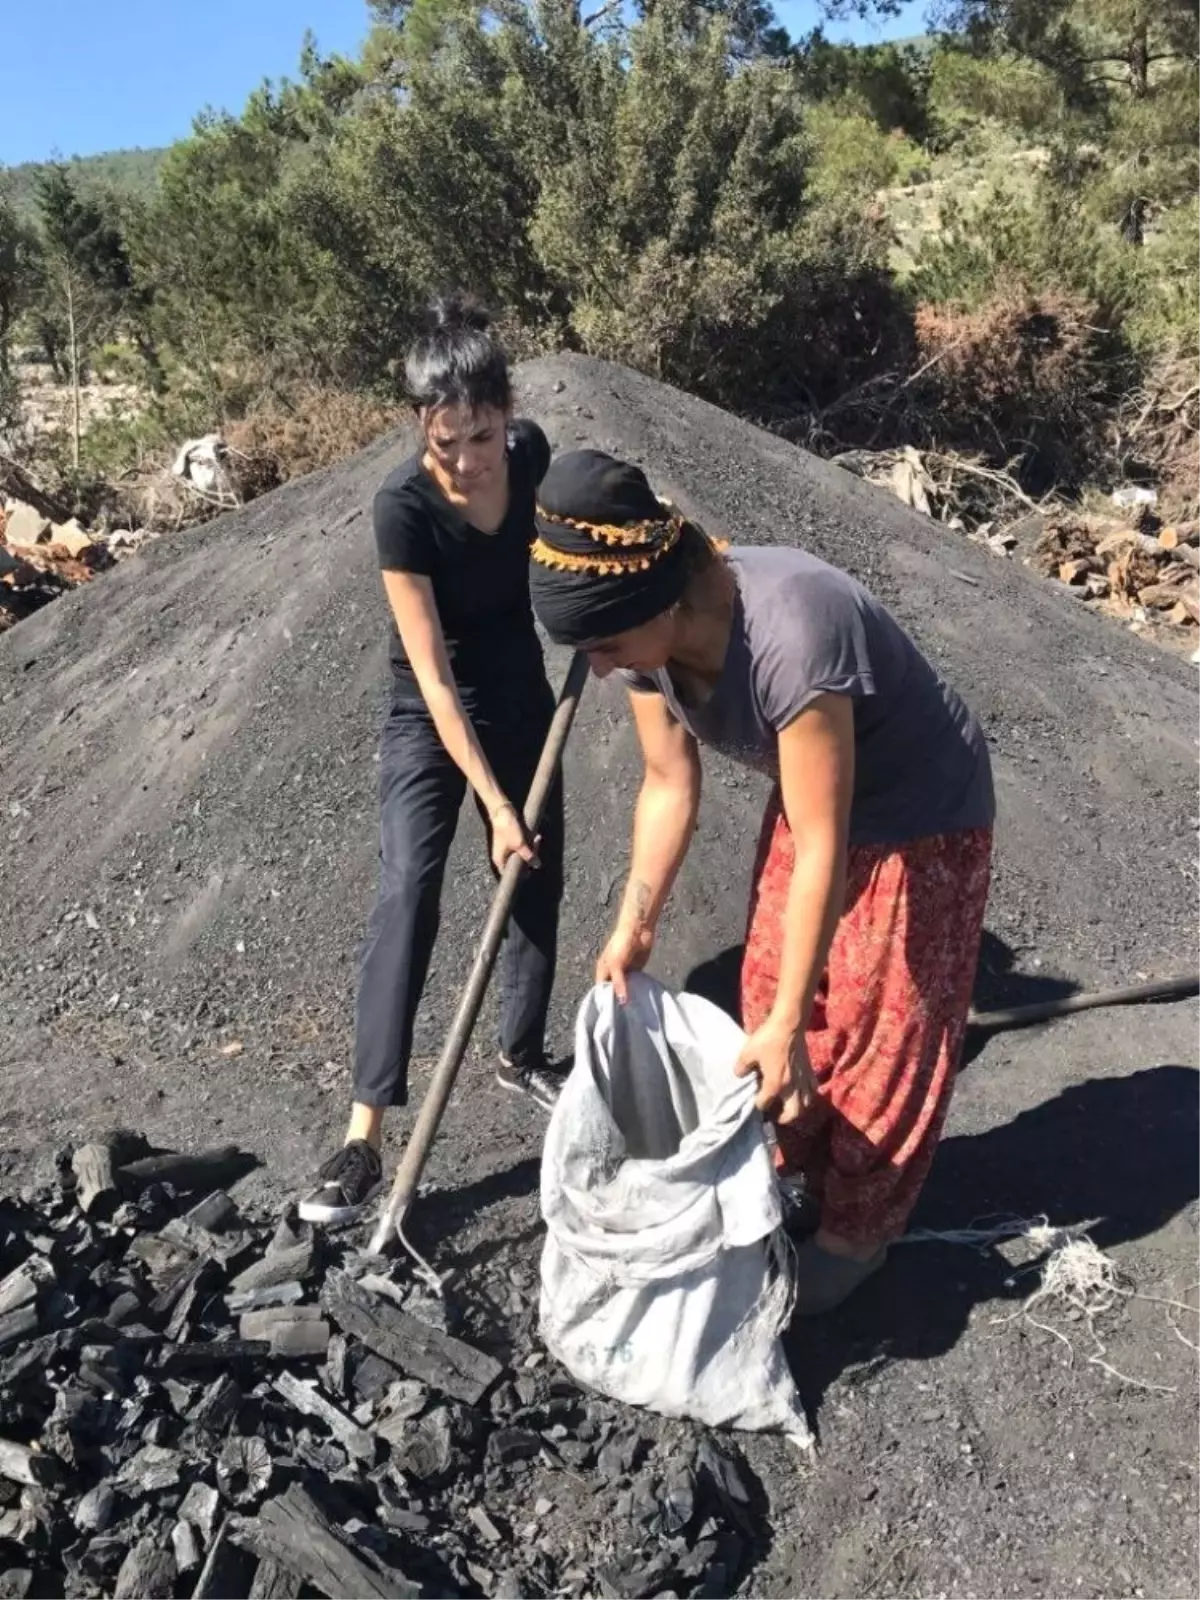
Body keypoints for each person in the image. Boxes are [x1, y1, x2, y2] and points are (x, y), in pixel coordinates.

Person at [527, 450, 994, 1314]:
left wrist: (785, 1030)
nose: (597, 668)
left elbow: (824, 842)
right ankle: (797, 1166)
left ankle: (858, 1234)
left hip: (921, 814)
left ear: (663, 601)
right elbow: (668, 784)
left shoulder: (794, 633)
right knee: (774, 986)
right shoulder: (640, 650)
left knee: (879, 1028)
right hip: (815, 797)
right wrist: (636, 924)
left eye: (605, 645)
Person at [299, 295, 565, 1226]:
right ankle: (364, 1133)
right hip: (429, 711)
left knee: (535, 874)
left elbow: (575, 547)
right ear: (421, 424)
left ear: (506, 414)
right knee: (409, 888)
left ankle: (521, 1055)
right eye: (446, 440)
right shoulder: (402, 509)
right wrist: (490, 801)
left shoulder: (532, 457)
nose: (466, 460)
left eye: (481, 437)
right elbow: (438, 681)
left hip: (524, 693)